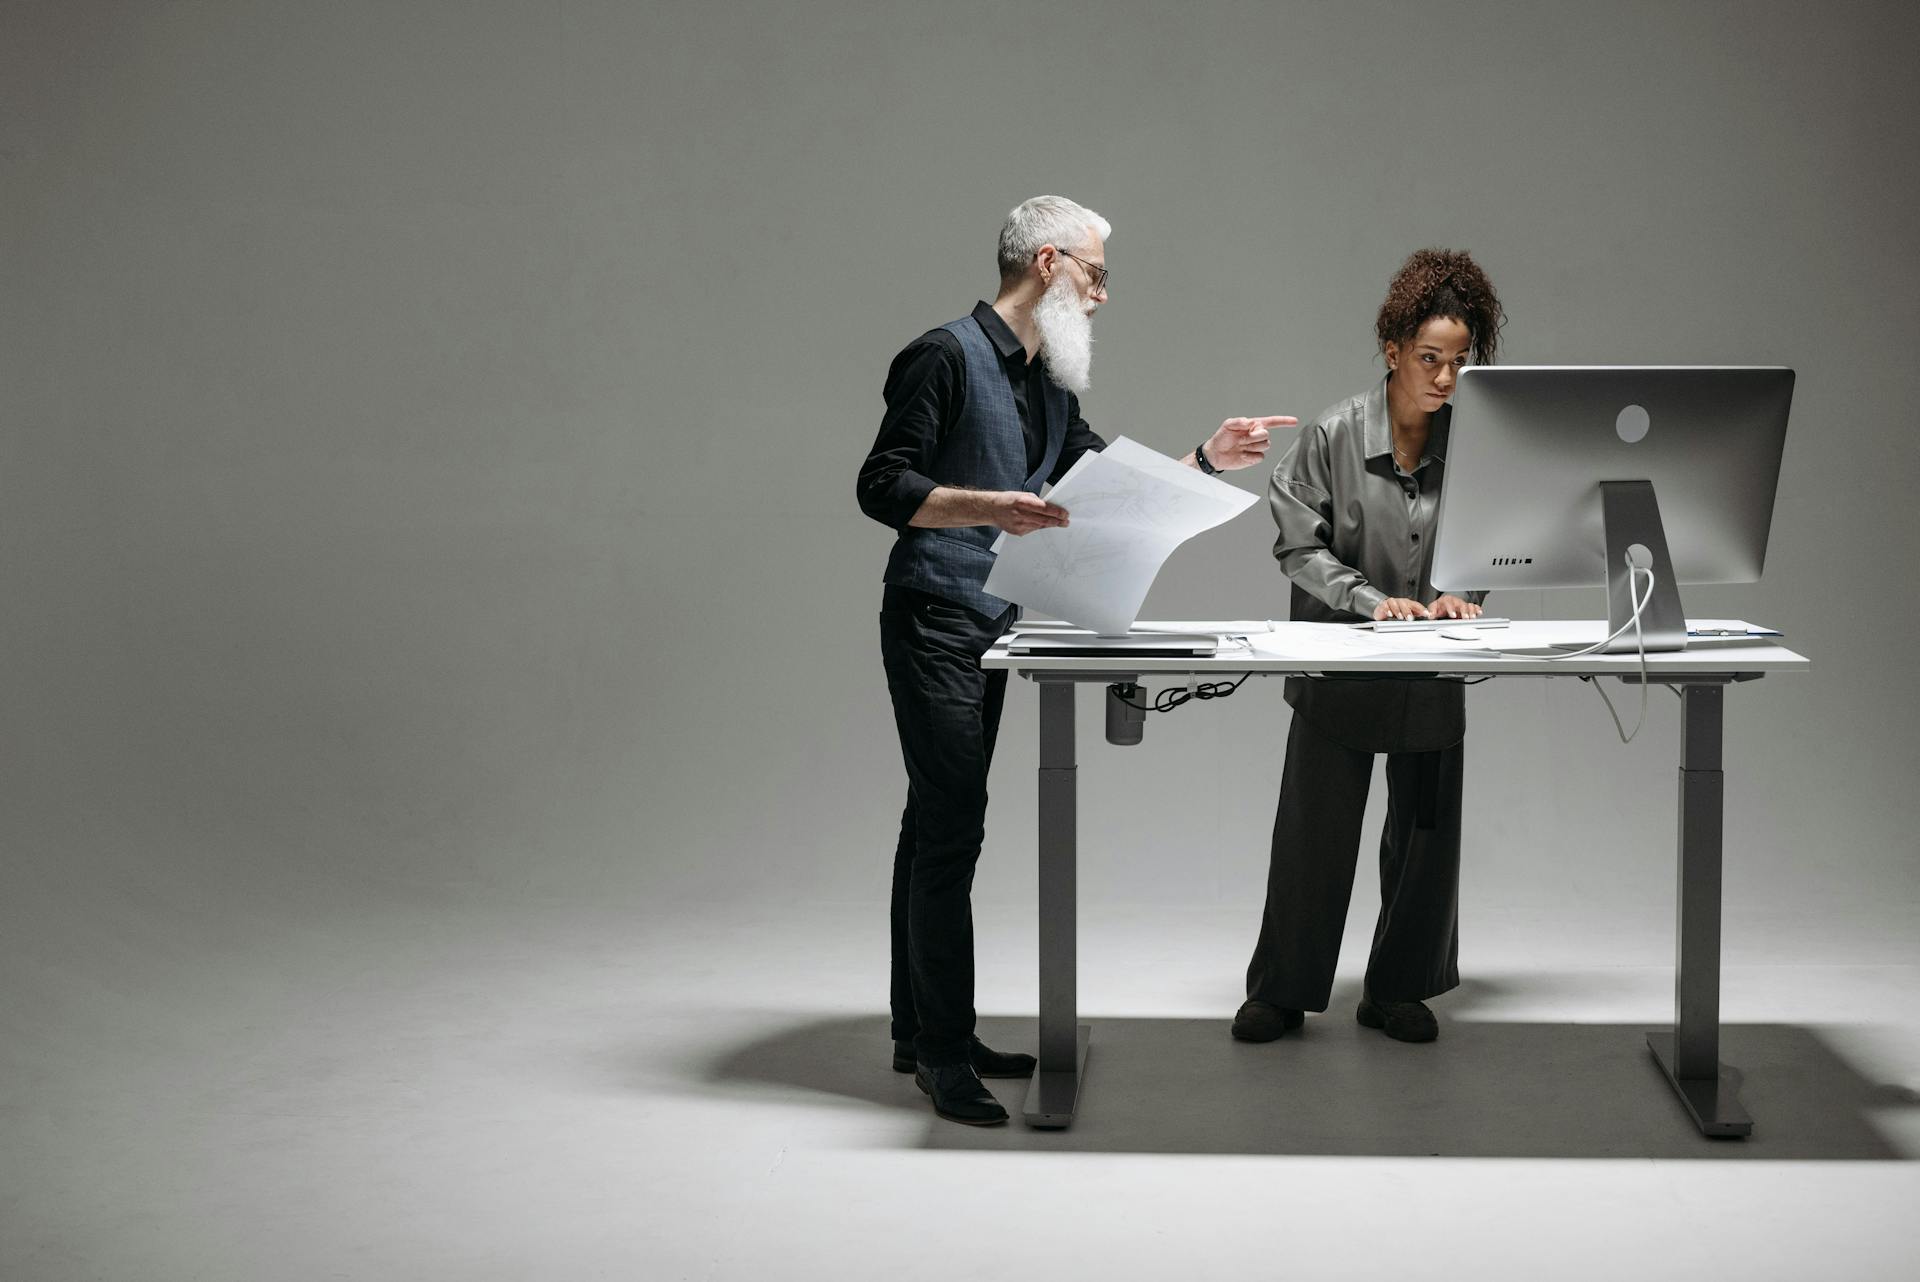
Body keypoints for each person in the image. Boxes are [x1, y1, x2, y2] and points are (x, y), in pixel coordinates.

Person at [858, 195, 1292, 1125]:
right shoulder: (942, 355)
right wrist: (989, 506)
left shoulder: (1050, 381)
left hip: (993, 625)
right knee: (952, 829)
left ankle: (919, 1027)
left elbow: (1102, 487)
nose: (1101, 296)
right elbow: (881, 484)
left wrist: (1207, 460)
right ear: (1048, 262)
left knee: (933, 822)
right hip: (934, 616)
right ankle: (943, 1055)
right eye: (1095, 274)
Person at [1232, 248, 1504, 1048]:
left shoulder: (1478, 442)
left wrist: (1467, 594)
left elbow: (1498, 539)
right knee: (1313, 837)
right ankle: (1281, 991)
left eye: (1460, 362)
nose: (1446, 378)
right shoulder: (1333, 435)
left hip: (1433, 664)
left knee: (1425, 840)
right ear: (1392, 351)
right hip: (1339, 667)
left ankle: (1397, 990)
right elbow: (1297, 545)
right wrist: (1366, 601)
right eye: (1430, 359)